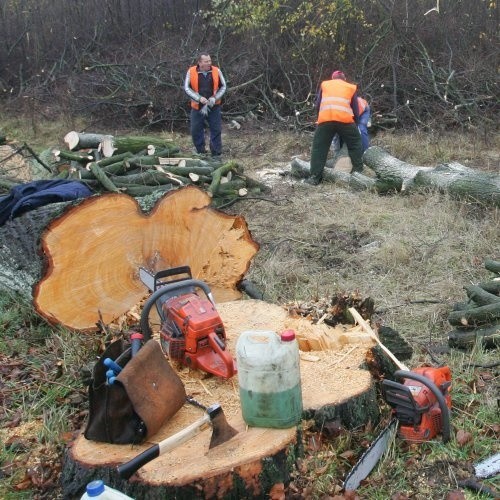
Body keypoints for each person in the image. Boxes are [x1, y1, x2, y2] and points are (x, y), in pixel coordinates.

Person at [305, 70, 363, 185]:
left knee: (319, 148)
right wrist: (355, 124)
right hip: (345, 120)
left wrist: (320, 119)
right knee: (355, 144)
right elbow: (355, 109)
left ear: (332, 78)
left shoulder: (325, 85)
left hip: (326, 119)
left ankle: (314, 178)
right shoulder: (350, 87)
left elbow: (318, 105)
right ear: (344, 79)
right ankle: (358, 173)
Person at [184, 53, 227, 159]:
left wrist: (214, 98)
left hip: (214, 106)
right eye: (206, 61)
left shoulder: (216, 71)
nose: (209, 63)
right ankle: (200, 152)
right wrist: (199, 98)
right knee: (195, 129)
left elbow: (224, 86)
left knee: (216, 129)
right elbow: (186, 88)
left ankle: (216, 154)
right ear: (199, 62)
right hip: (197, 106)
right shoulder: (191, 71)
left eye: (210, 60)